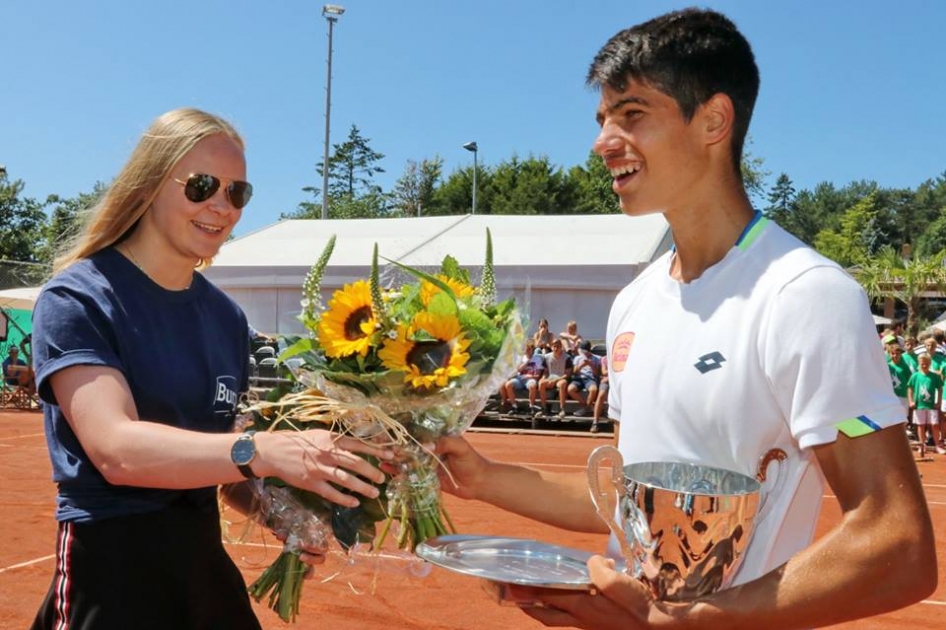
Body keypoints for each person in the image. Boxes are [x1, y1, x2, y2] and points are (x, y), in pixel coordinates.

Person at [435, 8, 935, 629]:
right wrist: (483, 478)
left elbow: (898, 544)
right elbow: (631, 505)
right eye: (602, 120)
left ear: (714, 120)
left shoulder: (805, 295)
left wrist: (691, 620)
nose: (602, 142)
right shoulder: (635, 301)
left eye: (633, 114)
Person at [28, 108, 392, 630]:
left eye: (237, 193)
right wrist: (267, 452)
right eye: (201, 186)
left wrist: (284, 513)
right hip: (111, 573)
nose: (221, 207)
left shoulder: (225, 317)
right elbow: (116, 450)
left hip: (200, 568)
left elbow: (221, 464)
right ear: (149, 184)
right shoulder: (79, 297)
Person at [906, 353, 946, 458]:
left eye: (926, 364)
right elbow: (910, 388)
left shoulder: (934, 376)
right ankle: (922, 445)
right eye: (922, 364)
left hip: (932, 405)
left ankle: (938, 445)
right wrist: (910, 401)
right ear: (919, 363)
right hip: (919, 405)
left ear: (930, 363)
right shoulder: (915, 376)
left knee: (934, 425)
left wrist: (938, 402)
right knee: (921, 425)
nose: (924, 366)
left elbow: (940, 388)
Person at [500, 340, 545, 414]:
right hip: (520, 379)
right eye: (525, 349)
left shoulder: (538, 358)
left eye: (529, 349)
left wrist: (530, 376)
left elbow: (538, 375)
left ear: (532, 349)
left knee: (532, 385)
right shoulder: (521, 358)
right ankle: (514, 406)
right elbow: (519, 369)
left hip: (531, 378)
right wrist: (527, 361)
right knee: (508, 384)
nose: (527, 351)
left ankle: (531, 406)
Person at [535, 338, 573, 420]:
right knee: (541, 383)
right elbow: (545, 372)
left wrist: (555, 380)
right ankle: (544, 408)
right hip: (551, 377)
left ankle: (562, 408)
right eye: (554, 346)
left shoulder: (567, 358)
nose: (556, 348)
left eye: (558, 346)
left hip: (561, 377)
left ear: (561, 347)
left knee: (562, 384)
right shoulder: (547, 357)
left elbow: (568, 374)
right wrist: (543, 378)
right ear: (551, 347)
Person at [567, 340, 600, 417]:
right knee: (570, 389)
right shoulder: (578, 358)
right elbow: (574, 372)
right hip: (579, 378)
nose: (584, 353)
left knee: (593, 389)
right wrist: (582, 365)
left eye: (586, 351)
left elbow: (597, 374)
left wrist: (591, 365)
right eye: (583, 351)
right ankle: (587, 406)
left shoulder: (597, 358)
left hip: (590, 379)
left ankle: (584, 409)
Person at [590, 353, 609, 434]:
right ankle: (595, 422)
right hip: (606, 381)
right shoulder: (604, 358)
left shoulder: (623, 358)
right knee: (601, 395)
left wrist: (610, 376)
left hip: (618, 381)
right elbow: (604, 372)